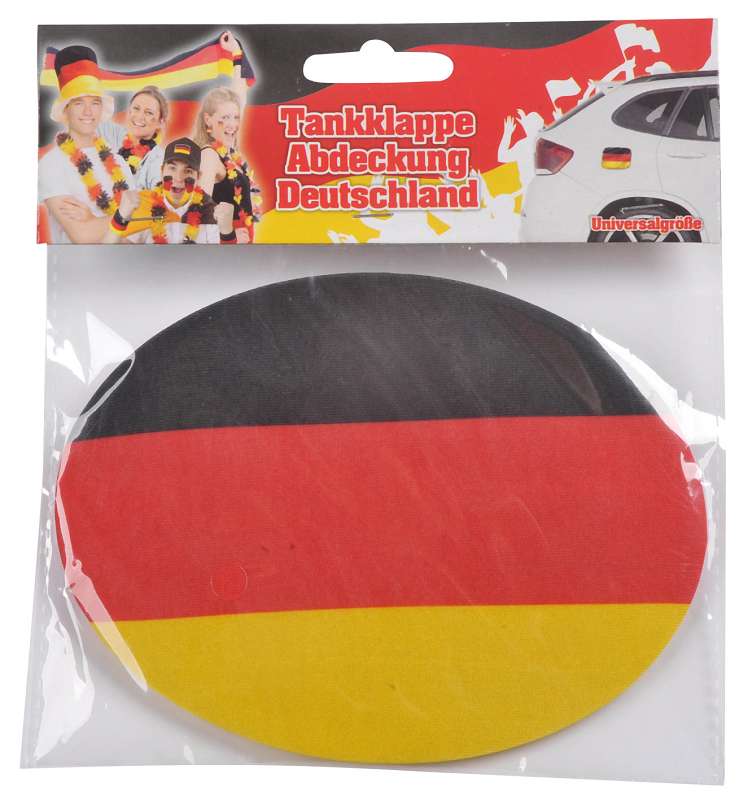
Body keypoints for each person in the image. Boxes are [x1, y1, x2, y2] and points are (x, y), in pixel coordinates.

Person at [38, 45, 133, 243]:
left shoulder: (119, 162)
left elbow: (141, 232)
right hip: (76, 263)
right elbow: (82, 235)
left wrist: (93, 220)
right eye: (79, 103)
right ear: (66, 109)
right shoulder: (51, 165)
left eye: (95, 103)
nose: (88, 112)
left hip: (126, 261)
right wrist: (126, 216)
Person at [103, 137, 234, 244]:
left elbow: (226, 264)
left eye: (188, 171)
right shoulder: (143, 205)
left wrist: (227, 233)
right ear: (161, 172)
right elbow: (111, 257)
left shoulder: (212, 214)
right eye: (172, 168)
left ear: (198, 177)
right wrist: (120, 217)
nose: (178, 178)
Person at [194, 31, 260, 244]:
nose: (232, 124)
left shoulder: (231, 155)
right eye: (224, 118)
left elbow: (239, 95)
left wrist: (236, 54)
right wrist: (227, 235)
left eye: (235, 117)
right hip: (225, 248)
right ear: (208, 120)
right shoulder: (209, 155)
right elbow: (197, 212)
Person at [99, 85, 169, 190]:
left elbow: (158, 198)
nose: (139, 117)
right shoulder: (117, 134)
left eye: (149, 113)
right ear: (129, 111)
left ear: (161, 122)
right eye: (136, 108)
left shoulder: (158, 160)